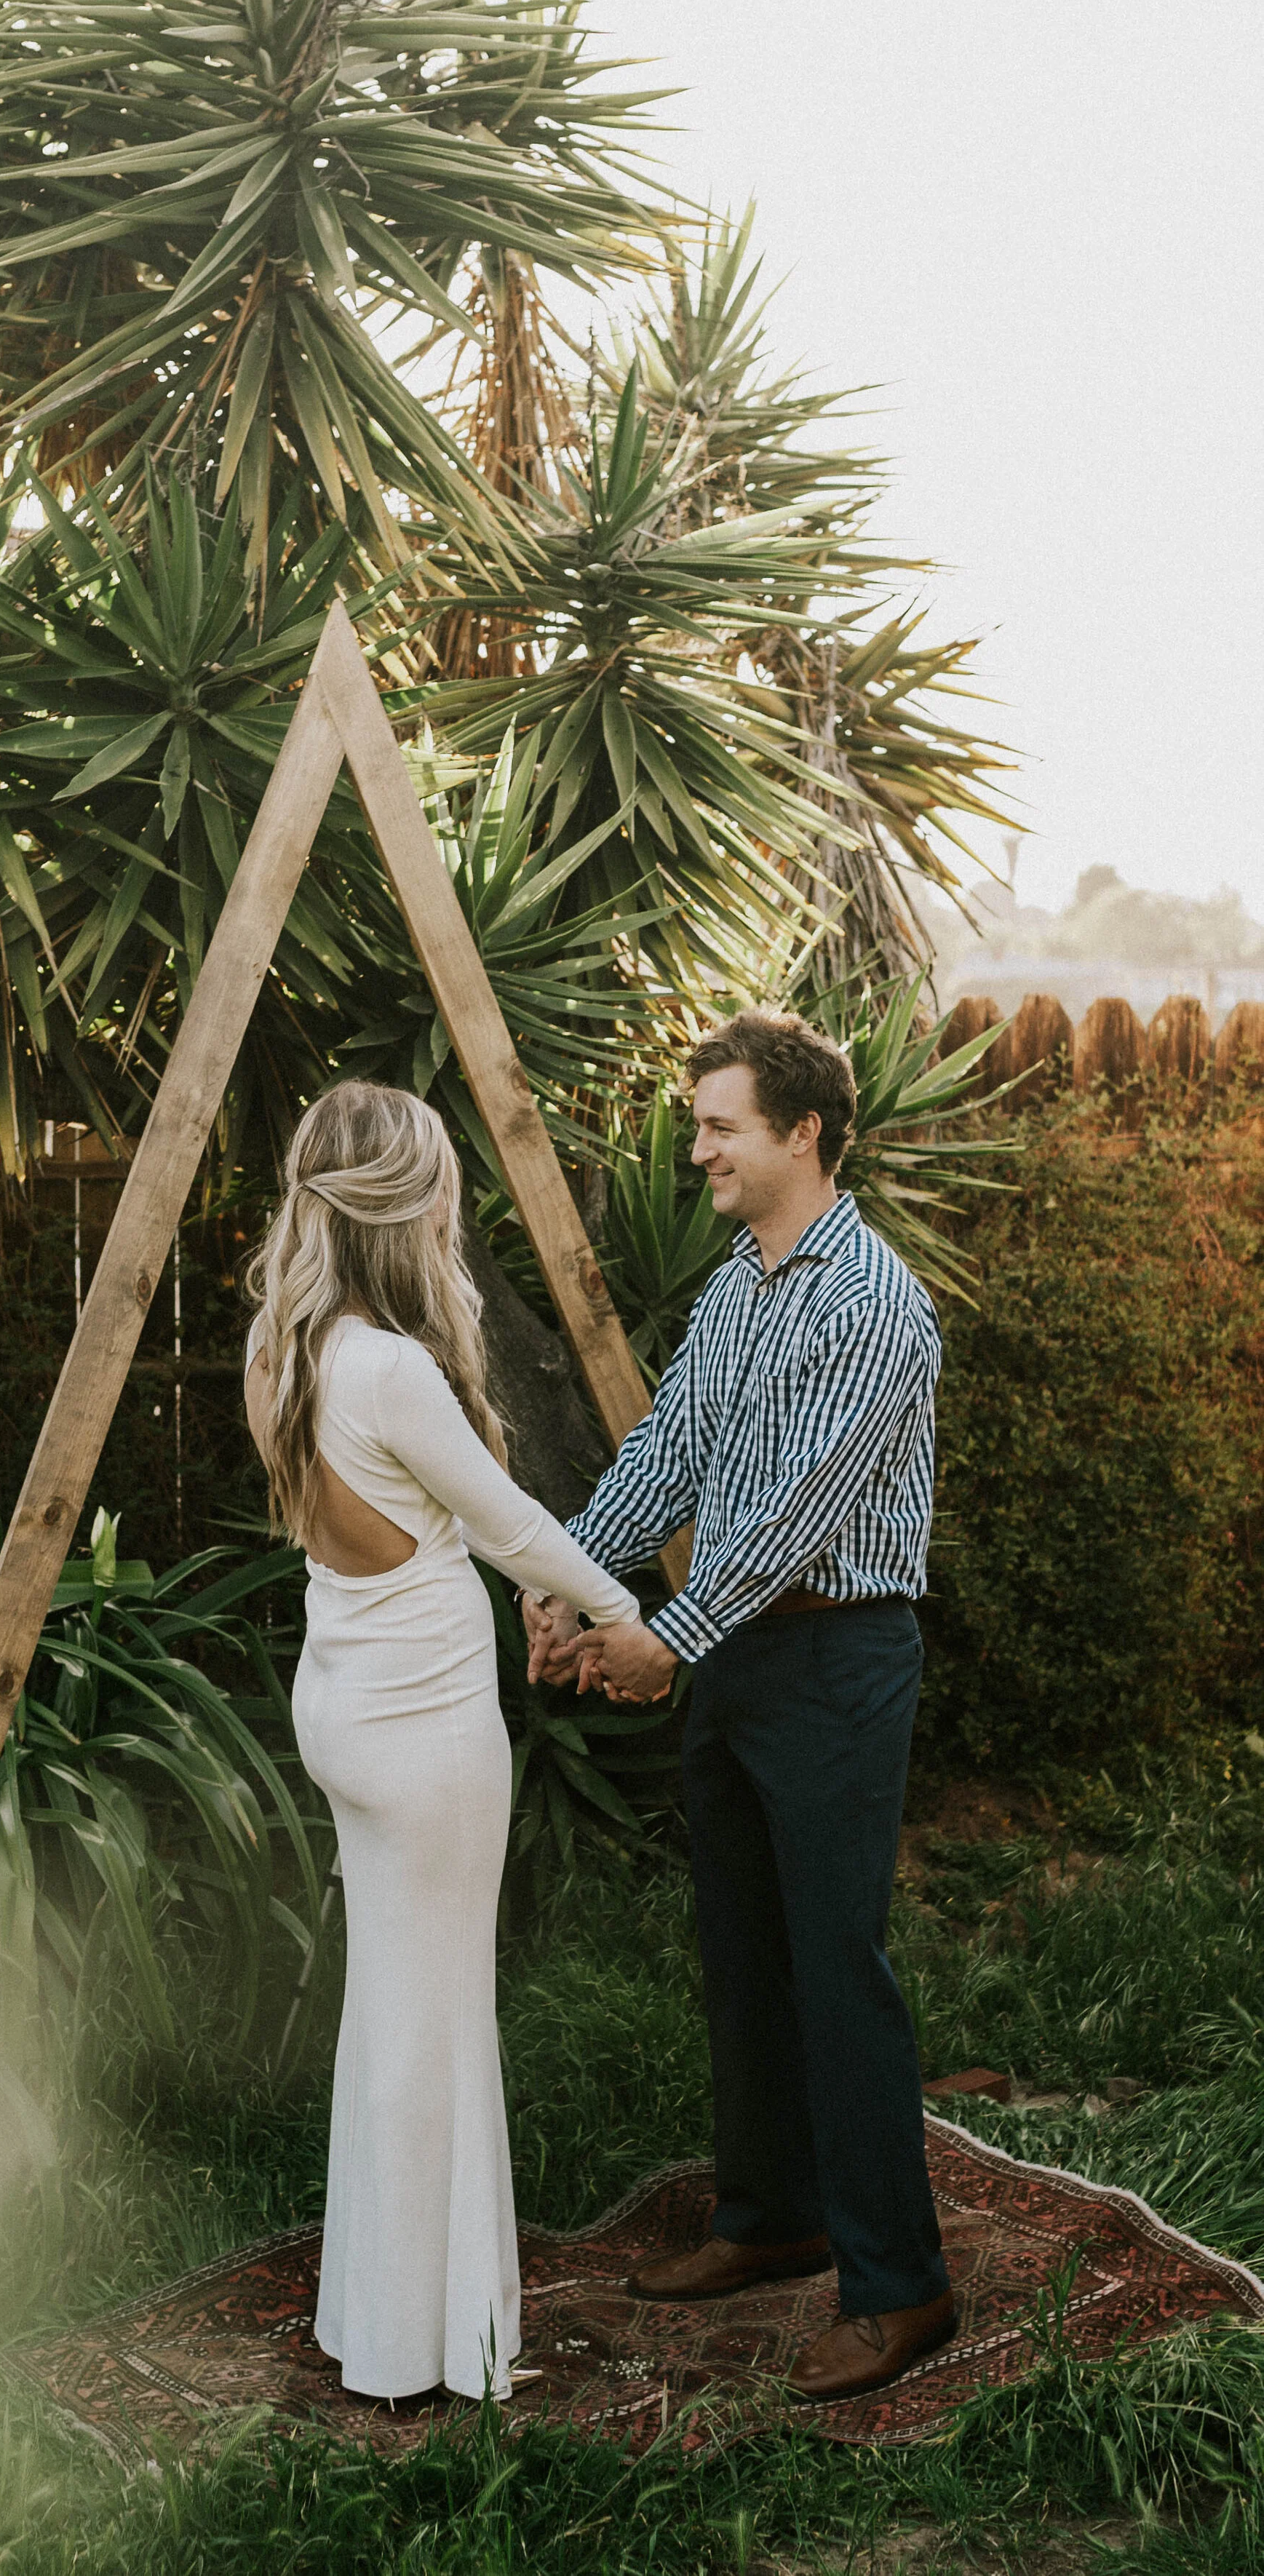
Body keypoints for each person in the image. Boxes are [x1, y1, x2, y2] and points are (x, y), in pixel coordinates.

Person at [525, 1009, 955, 2402]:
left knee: (839, 1967)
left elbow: (796, 1510)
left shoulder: (874, 1300)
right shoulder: (735, 1289)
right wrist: (576, 1580)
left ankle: (901, 2288)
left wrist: (666, 1637)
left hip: (837, 1658)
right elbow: (672, 1451)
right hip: (738, 1654)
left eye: (720, 1123)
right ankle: (769, 2216)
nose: (696, 1144)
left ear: (805, 1132)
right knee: (740, 1951)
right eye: (700, 1121)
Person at [245, 1081, 640, 2406]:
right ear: (408, 1208)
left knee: (391, 2012)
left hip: (347, 1714)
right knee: (439, 2024)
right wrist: (620, 1606)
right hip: (425, 1741)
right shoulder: (391, 1364)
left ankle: (376, 2315)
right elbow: (513, 1520)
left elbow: (437, 1522)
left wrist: (527, 1580)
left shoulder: (291, 1350)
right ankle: (438, 2345)